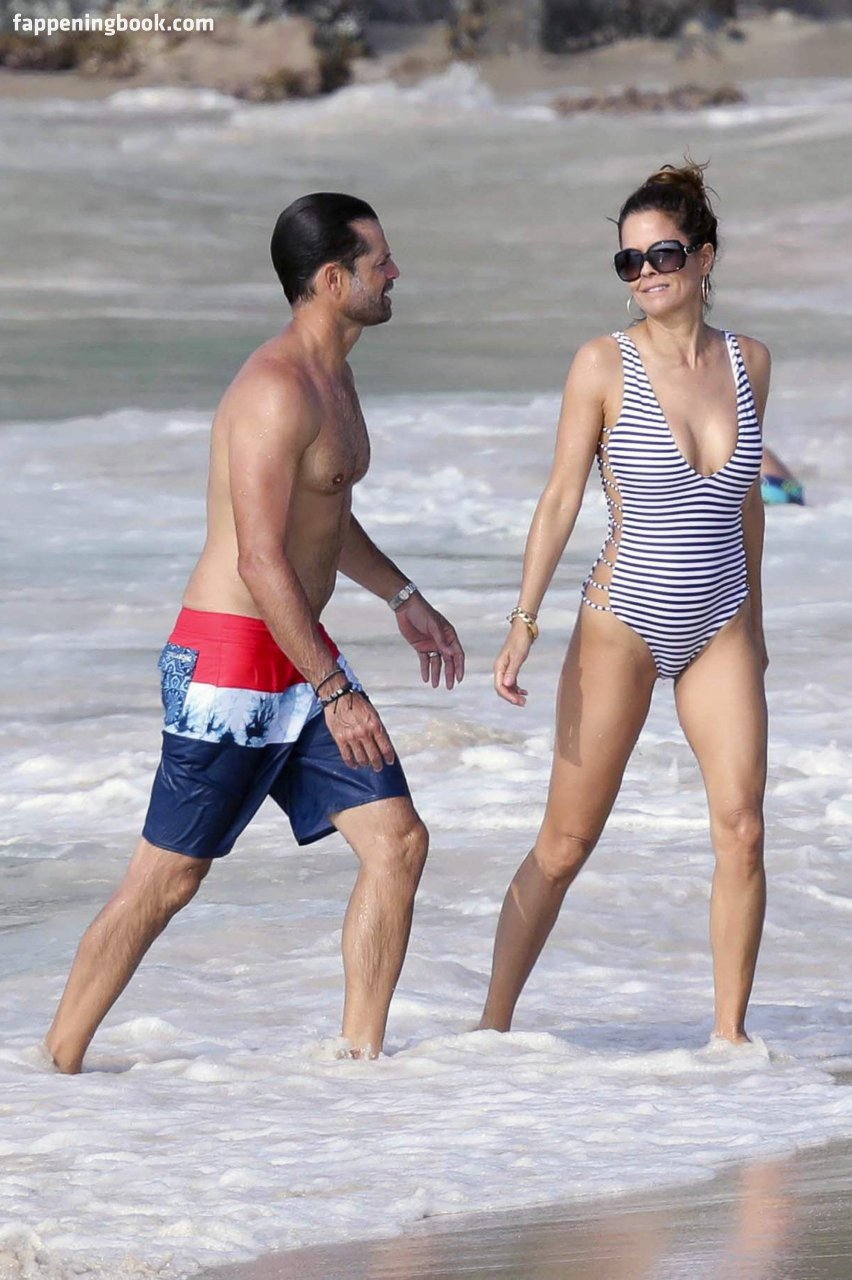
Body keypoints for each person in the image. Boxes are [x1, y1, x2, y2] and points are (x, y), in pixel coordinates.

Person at [45, 192, 464, 1073]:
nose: (396, 272)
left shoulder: (334, 376)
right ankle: (53, 1067)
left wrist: (401, 595)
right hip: (233, 659)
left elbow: (325, 512)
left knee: (397, 842)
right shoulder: (275, 389)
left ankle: (360, 1064)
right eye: (380, 260)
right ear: (333, 279)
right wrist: (337, 689)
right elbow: (260, 557)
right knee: (168, 880)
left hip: (298, 649)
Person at [479, 163, 770, 1047]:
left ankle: (729, 1043)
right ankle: (489, 1033)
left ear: (705, 257)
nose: (646, 272)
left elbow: (746, 504)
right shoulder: (602, 364)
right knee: (565, 845)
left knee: (743, 830)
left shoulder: (750, 363)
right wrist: (524, 621)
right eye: (629, 261)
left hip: (719, 620)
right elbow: (561, 497)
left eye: (663, 254)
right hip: (624, 622)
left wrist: (755, 624)